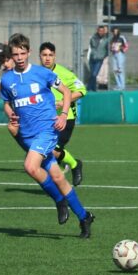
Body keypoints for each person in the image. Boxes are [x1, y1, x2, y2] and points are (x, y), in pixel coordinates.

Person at [0, 33, 95, 238]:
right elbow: (7, 104)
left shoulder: (42, 73)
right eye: (15, 54)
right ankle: (84, 216)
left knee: (30, 167)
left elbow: (67, 93)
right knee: (58, 176)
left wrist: (62, 115)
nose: (19, 57)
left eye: (23, 53)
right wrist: (11, 115)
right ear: (12, 55)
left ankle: (59, 200)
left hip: (47, 130)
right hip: (26, 134)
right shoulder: (7, 80)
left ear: (29, 52)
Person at [39, 42, 86, 186]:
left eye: (50, 55)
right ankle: (70, 166)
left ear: (55, 56)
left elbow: (82, 90)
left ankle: (74, 165)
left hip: (66, 117)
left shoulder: (65, 74)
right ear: (39, 56)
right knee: (44, 151)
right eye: (44, 55)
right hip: (46, 119)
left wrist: (63, 102)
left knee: (52, 150)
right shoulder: (36, 74)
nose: (47, 58)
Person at [87, 25, 109, 91]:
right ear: (97, 31)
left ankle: (89, 87)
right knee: (92, 74)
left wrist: (103, 55)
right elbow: (92, 45)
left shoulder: (106, 39)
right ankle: (93, 88)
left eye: (102, 31)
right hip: (92, 58)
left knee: (94, 74)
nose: (101, 32)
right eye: (100, 31)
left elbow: (107, 49)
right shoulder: (93, 37)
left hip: (99, 59)